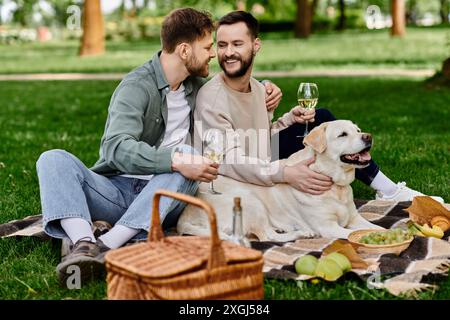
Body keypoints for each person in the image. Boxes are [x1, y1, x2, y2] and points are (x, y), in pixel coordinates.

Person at [35, 8, 282, 285]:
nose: (213, 54)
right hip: (116, 191)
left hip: (165, 197)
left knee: (189, 156)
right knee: (51, 158)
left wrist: (265, 87)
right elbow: (116, 148)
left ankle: (108, 245)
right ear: (185, 51)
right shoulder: (136, 86)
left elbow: (233, 83)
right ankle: (84, 244)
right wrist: (175, 161)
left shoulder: (198, 86)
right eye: (208, 47)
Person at [194, 11, 443, 203]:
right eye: (222, 45)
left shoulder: (258, 88)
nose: (228, 52)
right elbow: (231, 160)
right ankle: (383, 191)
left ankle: (387, 190)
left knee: (321, 120)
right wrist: (285, 173)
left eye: (237, 44)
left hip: (261, 157)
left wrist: (290, 119)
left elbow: (261, 135)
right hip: (239, 175)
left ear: (255, 45)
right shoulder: (213, 98)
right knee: (322, 130)